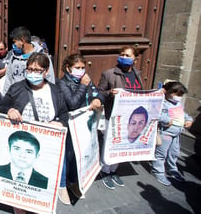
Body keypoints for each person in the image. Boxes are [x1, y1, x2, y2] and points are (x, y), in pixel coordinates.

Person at [0, 52, 69, 206]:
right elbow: (2, 106)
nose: (32, 73)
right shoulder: (17, 88)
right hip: (22, 141)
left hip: (46, 144)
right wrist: (9, 110)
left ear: (46, 71)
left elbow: (64, 113)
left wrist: (61, 123)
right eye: (29, 69)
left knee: (39, 186)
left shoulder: (56, 91)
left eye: (37, 70)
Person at [59, 54, 105, 200]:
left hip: (85, 124)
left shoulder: (86, 79)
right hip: (70, 125)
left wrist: (98, 99)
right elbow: (72, 103)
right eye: (77, 68)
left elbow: (98, 93)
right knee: (68, 155)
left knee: (81, 154)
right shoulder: (62, 83)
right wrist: (83, 86)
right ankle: (63, 184)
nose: (81, 70)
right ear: (68, 68)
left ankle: (73, 181)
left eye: (82, 68)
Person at [98, 46, 143, 190]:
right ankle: (105, 171)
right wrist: (110, 93)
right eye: (122, 54)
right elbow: (100, 93)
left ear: (135, 59)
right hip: (113, 116)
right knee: (109, 144)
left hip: (129, 118)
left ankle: (113, 170)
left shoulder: (137, 74)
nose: (124, 57)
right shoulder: (109, 74)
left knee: (121, 145)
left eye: (128, 55)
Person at [151, 81, 193, 186]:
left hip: (177, 133)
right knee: (161, 153)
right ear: (169, 92)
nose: (178, 97)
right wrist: (166, 120)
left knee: (174, 153)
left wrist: (189, 120)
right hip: (166, 133)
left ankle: (172, 169)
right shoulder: (162, 102)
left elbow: (183, 114)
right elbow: (156, 114)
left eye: (180, 95)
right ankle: (158, 171)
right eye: (177, 94)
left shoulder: (178, 103)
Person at [2, 26, 55, 96]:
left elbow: (50, 79)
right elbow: (8, 81)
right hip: (17, 100)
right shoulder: (13, 58)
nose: (13, 45)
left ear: (22, 41)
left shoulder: (43, 57)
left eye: (14, 42)